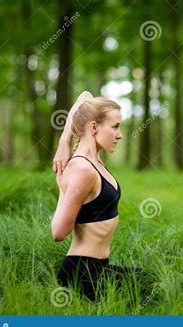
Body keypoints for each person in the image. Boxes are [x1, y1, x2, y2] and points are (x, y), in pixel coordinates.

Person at [51, 91, 142, 301]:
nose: (120, 135)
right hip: (82, 274)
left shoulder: (95, 161)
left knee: (150, 280)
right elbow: (58, 233)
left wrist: (64, 141)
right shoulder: (83, 168)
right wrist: (61, 188)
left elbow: (85, 95)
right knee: (148, 291)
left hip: (100, 267)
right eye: (115, 127)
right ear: (93, 127)